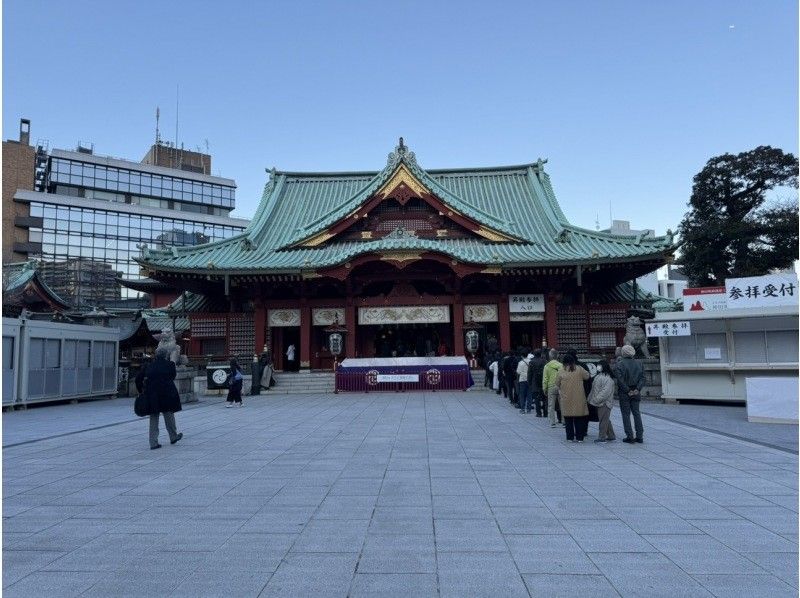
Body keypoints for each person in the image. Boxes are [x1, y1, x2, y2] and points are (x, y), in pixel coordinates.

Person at [135, 348, 183, 450]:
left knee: (154, 417)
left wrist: (141, 390)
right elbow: (172, 376)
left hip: (152, 394)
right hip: (167, 393)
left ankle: (153, 442)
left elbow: (138, 379)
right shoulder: (170, 365)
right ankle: (173, 436)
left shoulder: (149, 366)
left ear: (155, 355)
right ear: (166, 355)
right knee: (169, 415)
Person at [556, 352, 590, 442]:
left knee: (568, 419)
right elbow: (587, 376)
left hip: (566, 398)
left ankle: (570, 437)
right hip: (579, 398)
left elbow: (557, 383)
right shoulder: (579, 369)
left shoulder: (561, 370)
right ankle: (580, 438)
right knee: (579, 418)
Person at [616, 344, 645, 443]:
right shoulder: (639, 363)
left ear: (623, 353)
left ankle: (630, 436)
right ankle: (640, 436)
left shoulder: (620, 364)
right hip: (636, 391)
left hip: (625, 392)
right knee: (636, 413)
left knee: (626, 414)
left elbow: (620, 380)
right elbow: (642, 378)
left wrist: (628, 390)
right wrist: (637, 389)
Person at [588, 360, 617, 443]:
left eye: (599, 365)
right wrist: (590, 398)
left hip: (604, 402)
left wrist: (596, 399)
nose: (598, 367)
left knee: (603, 420)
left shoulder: (608, 379)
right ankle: (611, 435)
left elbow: (605, 392)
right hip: (599, 401)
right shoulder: (599, 376)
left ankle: (602, 437)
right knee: (605, 419)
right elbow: (593, 390)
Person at [542, 349, 563, 427]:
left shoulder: (547, 366)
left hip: (551, 386)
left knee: (551, 405)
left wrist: (544, 388)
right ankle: (564, 420)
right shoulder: (561, 365)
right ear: (557, 356)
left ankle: (552, 422)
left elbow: (545, 378)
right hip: (560, 386)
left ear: (550, 356)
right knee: (562, 404)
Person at [527, 349, 547, 417]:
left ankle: (538, 413)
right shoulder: (544, 361)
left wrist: (529, 382)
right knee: (544, 398)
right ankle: (545, 412)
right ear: (540, 354)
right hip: (543, 381)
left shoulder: (531, 362)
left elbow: (529, 373)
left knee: (536, 398)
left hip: (534, 381)